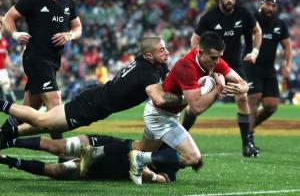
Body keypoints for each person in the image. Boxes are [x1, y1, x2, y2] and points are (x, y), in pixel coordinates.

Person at [104, 31, 248, 185]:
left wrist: (242, 88)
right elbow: (197, 107)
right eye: (213, 58)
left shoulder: (214, 59)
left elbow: (242, 81)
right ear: (200, 52)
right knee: (193, 158)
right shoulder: (186, 67)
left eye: (219, 57)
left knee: (141, 147)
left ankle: (98, 151)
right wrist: (218, 89)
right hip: (160, 115)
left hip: (164, 113)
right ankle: (139, 159)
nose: (217, 62)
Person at [0, 37, 183, 144]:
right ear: (149, 55)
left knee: (45, 124)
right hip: (91, 105)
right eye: (162, 50)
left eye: (166, 48)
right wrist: (186, 99)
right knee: (42, 120)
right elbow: (159, 99)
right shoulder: (147, 74)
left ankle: (5, 137)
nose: (166, 52)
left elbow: (167, 75)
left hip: (96, 101)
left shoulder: (149, 63)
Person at [2, 0, 82, 142]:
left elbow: (78, 28)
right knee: (55, 102)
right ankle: (62, 153)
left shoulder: (68, 2)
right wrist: (15, 33)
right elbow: (8, 18)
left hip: (53, 61)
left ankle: (2, 137)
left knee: (26, 113)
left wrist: (69, 35)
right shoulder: (32, 0)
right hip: (36, 58)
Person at [190, 0, 262, 157]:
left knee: (242, 98)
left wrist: (255, 52)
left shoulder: (243, 13)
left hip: (234, 65)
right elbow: (195, 39)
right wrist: (200, 61)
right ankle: (177, 136)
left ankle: (246, 145)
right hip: (212, 65)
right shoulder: (210, 17)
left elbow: (257, 30)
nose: (230, 0)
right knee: (194, 105)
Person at [0, 134, 173, 183]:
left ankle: (6, 159)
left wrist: (151, 176)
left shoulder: (173, 160)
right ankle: (7, 141)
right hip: (103, 145)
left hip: (102, 169)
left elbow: (164, 178)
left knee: (57, 171)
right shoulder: (159, 137)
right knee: (57, 147)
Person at [246, 0, 292, 150]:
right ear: (261, 6)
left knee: (271, 105)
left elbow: (287, 46)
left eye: (273, 6)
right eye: (267, 5)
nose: (270, 8)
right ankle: (249, 139)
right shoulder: (251, 21)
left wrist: (288, 65)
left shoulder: (280, 24)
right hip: (251, 66)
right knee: (254, 98)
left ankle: (247, 128)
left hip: (269, 69)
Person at [0, 16, 17, 103]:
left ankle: (13, 112)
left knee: (7, 90)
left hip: (2, 71)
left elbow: (5, 57)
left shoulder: (3, 41)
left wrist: (12, 68)